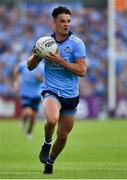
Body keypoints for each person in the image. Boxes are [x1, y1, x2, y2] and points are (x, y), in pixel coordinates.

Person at [27, 6, 87, 173]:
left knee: (62, 137)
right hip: (51, 90)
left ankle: (50, 163)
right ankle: (46, 142)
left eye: (68, 21)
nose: (66, 24)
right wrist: (36, 55)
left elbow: (82, 71)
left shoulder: (77, 44)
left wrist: (61, 61)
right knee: (52, 119)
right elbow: (30, 66)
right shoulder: (45, 43)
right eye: (62, 21)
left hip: (71, 95)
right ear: (54, 23)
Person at [14, 61, 44, 140]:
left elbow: (44, 80)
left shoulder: (42, 67)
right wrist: (17, 81)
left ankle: (29, 132)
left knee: (33, 117)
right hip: (25, 93)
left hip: (36, 94)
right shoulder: (23, 65)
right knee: (28, 112)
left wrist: (39, 77)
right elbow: (16, 72)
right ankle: (23, 121)